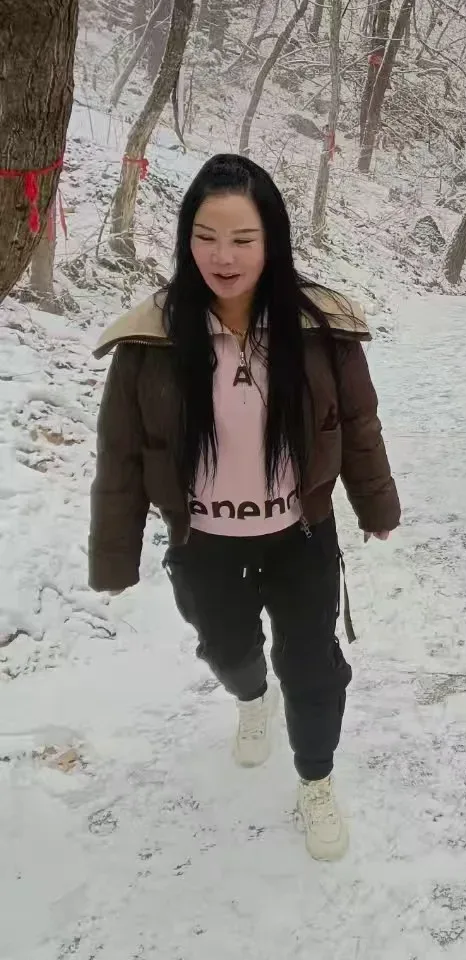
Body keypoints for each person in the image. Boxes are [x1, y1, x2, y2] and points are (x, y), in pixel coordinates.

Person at [88, 153, 400, 861]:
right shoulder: (152, 338)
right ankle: (252, 696)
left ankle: (315, 779)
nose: (222, 257)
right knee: (227, 652)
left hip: (301, 536)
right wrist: (114, 555)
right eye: (206, 237)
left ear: (272, 241)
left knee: (312, 666)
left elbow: (358, 424)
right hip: (204, 542)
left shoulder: (320, 328)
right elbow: (122, 455)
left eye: (242, 239)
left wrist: (376, 505)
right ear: (186, 239)